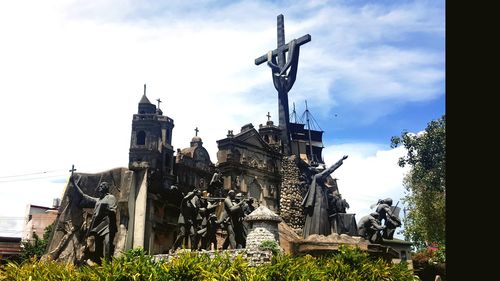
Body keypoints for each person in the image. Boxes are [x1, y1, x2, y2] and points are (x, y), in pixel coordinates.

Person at [70, 176, 117, 263]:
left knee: (108, 244)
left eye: (103, 186)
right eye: (100, 186)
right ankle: (99, 265)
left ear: (106, 188)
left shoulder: (110, 197)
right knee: (98, 247)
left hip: (107, 225)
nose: (100, 187)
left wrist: (108, 209)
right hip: (98, 226)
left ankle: (108, 266)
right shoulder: (98, 200)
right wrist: (74, 184)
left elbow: (112, 209)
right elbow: (84, 196)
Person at [301, 155, 348, 238]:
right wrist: (341, 160)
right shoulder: (318, 177)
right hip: (319, 203)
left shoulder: (315, 181)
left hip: (318, 202)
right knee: (320, 218)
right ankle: (320, 235)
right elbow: (330, 170)